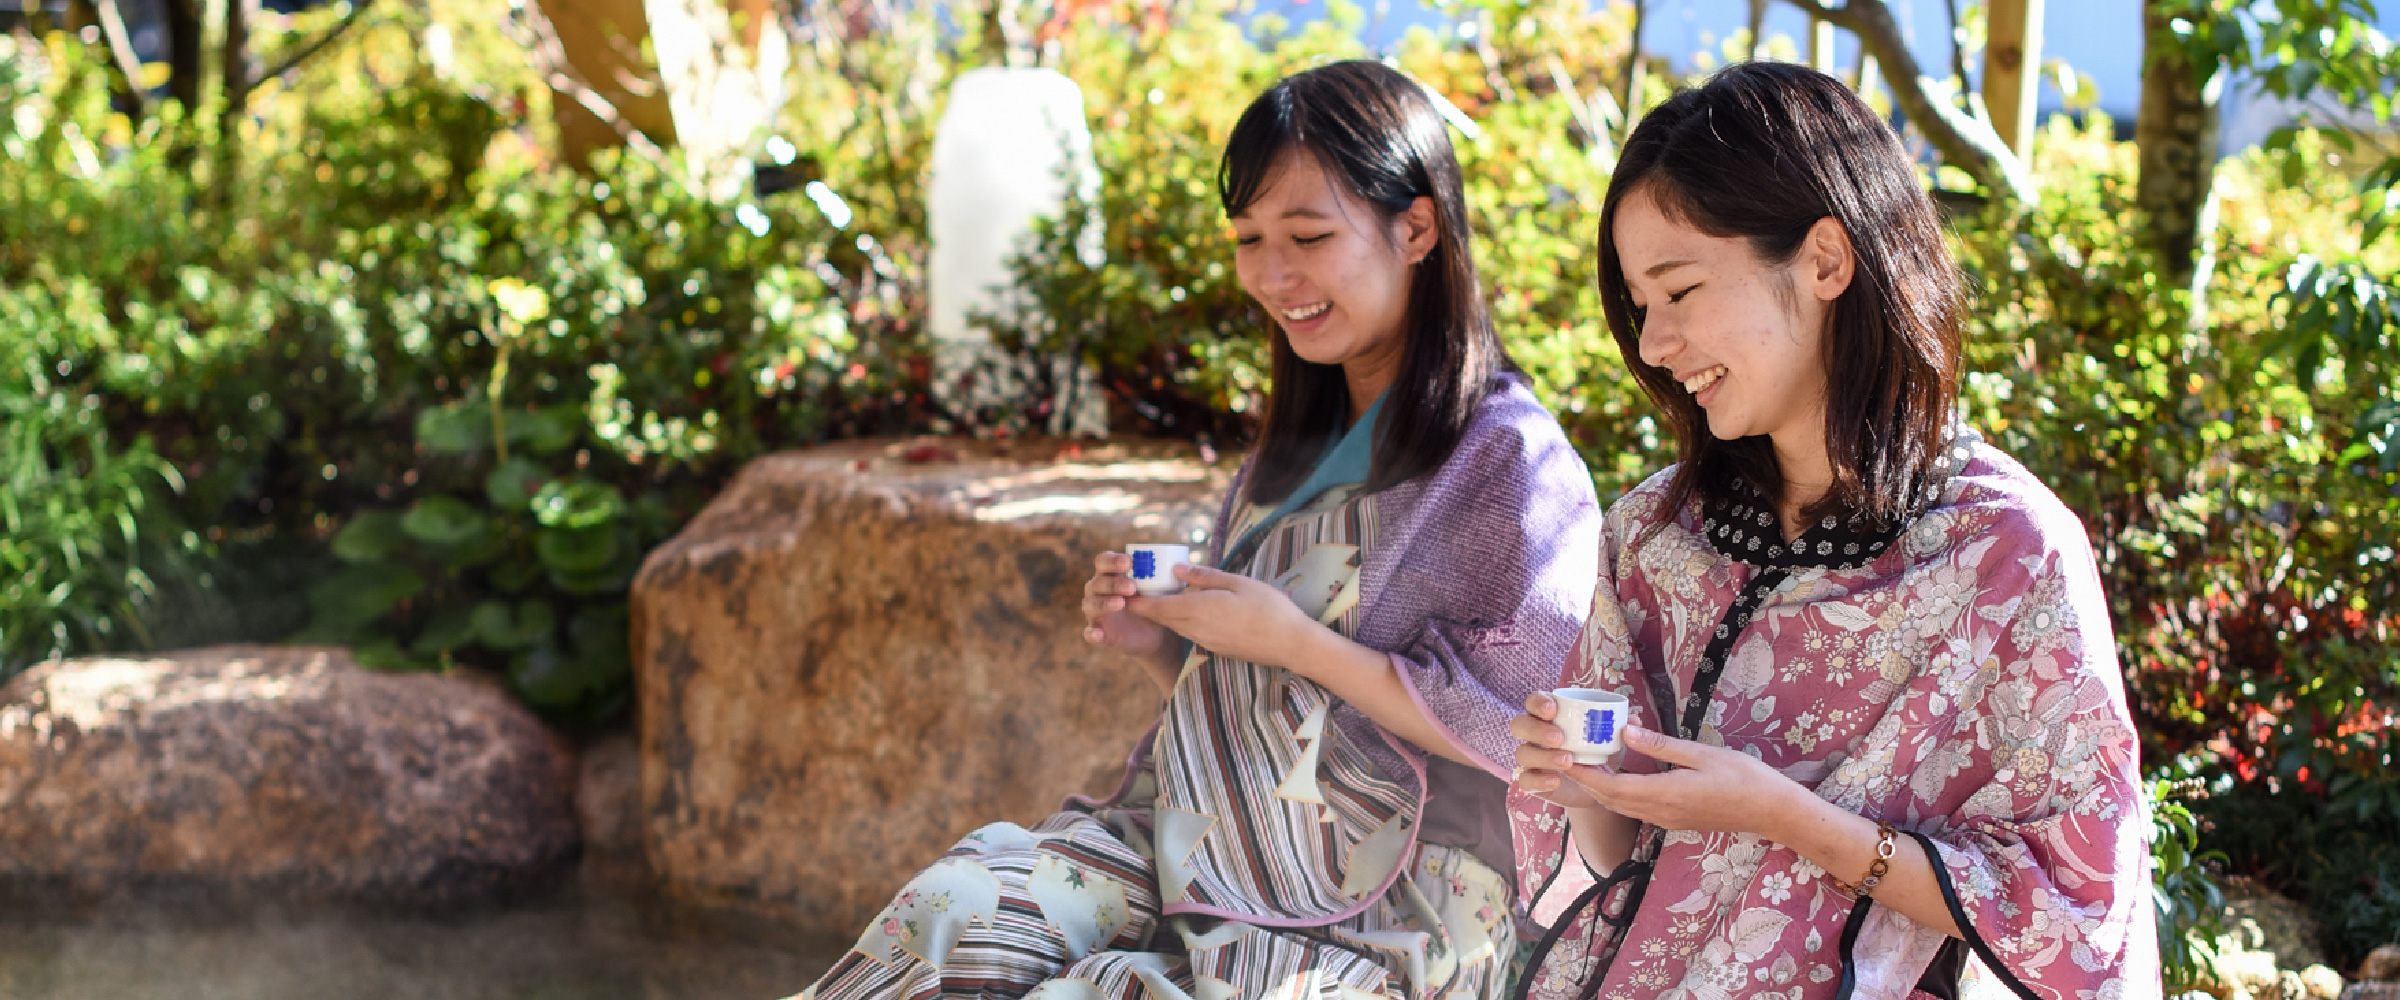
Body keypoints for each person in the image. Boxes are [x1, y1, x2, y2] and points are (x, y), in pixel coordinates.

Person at [796, 60, 1603, 1000]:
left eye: (1308, 235)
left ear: (1416, 226)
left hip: (1394, 908)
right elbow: (1249, 711)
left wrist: (1294, 642)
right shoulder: (1285, 456)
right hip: (1196, 842)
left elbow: (1521, 733)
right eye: (1249, 239)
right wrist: (1163, 646)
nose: (1272, 273)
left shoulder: (1509, 462)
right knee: (960, 910)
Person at [1504, 63, 2157, 1000]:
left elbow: (2079, 909)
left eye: (1679, 290)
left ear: (1824, 260)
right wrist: (1581, 783)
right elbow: (1616, 855)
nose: (1650, 345)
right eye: (1639, 307)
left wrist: (1788, 819)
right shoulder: (1653, 535)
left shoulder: (2006, 554)